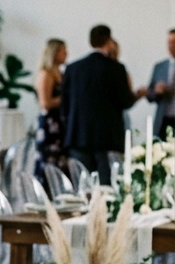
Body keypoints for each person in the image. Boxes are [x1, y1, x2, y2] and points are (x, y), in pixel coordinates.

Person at [61, 24, 143, 186]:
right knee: (107, 187)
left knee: (81, 186)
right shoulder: (116, 69)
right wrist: (138, 95)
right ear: (109, 41)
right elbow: (125, 101)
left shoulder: (73, 69)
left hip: (79, 135)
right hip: (108, 139)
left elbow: (65, 105)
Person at [34, 38, 67, 184]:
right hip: (50, 124)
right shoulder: (45, 74)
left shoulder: (59, 73)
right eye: (63, 51)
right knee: (49, 161)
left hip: (60, 122)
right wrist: (66, 98)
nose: (66, 54)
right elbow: (44, 103)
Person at [143, 30, 175, 139]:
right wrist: (157, 92)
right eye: (169, 42)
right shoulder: (159, 67)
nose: (172, 45)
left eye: (174, 42)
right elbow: (150, 95)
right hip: (164, 119)